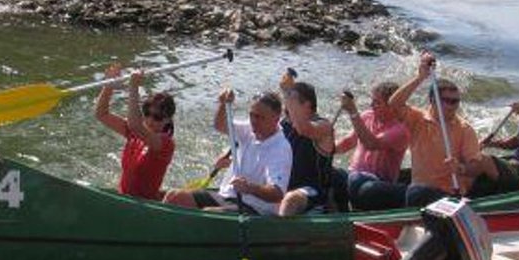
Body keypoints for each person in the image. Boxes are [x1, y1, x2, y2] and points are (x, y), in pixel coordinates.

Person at [375, 51, 482, 208]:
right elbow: (394, 103)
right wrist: (420, 78)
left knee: (416, 193)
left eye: (456, 101)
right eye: (448, 101)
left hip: (448, 195)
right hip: (419, 190)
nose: (454, 106)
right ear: (433, 101)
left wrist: (460, 167)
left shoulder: (465, 129)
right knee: (370, 190)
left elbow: (476, 167)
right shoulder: (417, 119)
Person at [162, 90, 292, 216]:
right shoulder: (249, 129)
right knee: (174, 197)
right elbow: (220, 125)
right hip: (227, 196)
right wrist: (224, 104)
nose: (253, 120)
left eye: (259, 117)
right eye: (251, 114)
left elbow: (277, 193)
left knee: (209, 214)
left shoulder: (280, 149)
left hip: (256, 208)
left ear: (276, 118)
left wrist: (250, 188)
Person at [95, 64, 176, 201]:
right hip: (124, 198)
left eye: (157, 117)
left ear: (168, 120)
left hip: (144, 205)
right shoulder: (134, 133)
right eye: (147, 114)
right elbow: (101, 114)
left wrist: (133, 87)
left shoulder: (166, 144)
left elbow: (135, 126)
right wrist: (109, 85)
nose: (150, 120)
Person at [332, 82, 410, 211]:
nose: (372, 106)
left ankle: (355, 213)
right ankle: (341, 213)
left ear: (391, 106)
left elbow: (371, 144)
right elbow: (348, 142)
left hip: (379, 183)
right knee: (330, 174)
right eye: (372, 101)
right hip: (354, 176)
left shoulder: (400, 131)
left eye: (377, 103)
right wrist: (324, 150)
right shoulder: (367, 117)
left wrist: (353, 112)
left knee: (359, 182)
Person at [277, 75, 336, 216]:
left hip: (311, 192)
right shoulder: (285, 124)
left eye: (292, 102)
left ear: (307, 105)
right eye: (286, 102)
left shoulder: (324, 127)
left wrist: (287, 92)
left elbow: (303, 129)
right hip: (281, 185)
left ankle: (277, 235)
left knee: (290, 199)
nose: (287, 106)